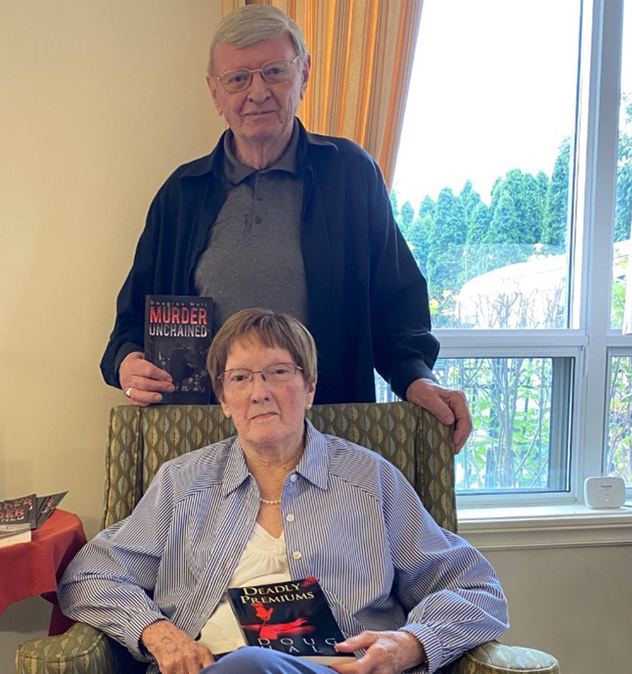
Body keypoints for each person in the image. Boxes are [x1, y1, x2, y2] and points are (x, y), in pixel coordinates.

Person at [100, 5, 471, 452]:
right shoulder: (182, 194)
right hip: (204, 440)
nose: (257, 92)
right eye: (238, 79)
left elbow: (397, 311)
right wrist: (128, 365)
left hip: (329, 435)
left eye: (274, 71)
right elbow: (130, 324)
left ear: (304, 74)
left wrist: (417, 379)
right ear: (215, 93)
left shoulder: (351, 175)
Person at [62, 308, 507, 674]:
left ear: (310, 387)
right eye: (239, 378)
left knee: (253, 664)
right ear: (222, 398)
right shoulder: (182, 483)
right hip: (210, 668)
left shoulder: (370, 480)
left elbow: (477, 588)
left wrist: (409, 643)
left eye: (278, 372)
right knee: (246, 666)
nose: (259, 393)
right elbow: (89, 574)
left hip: (336, 669)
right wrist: (159, 633)